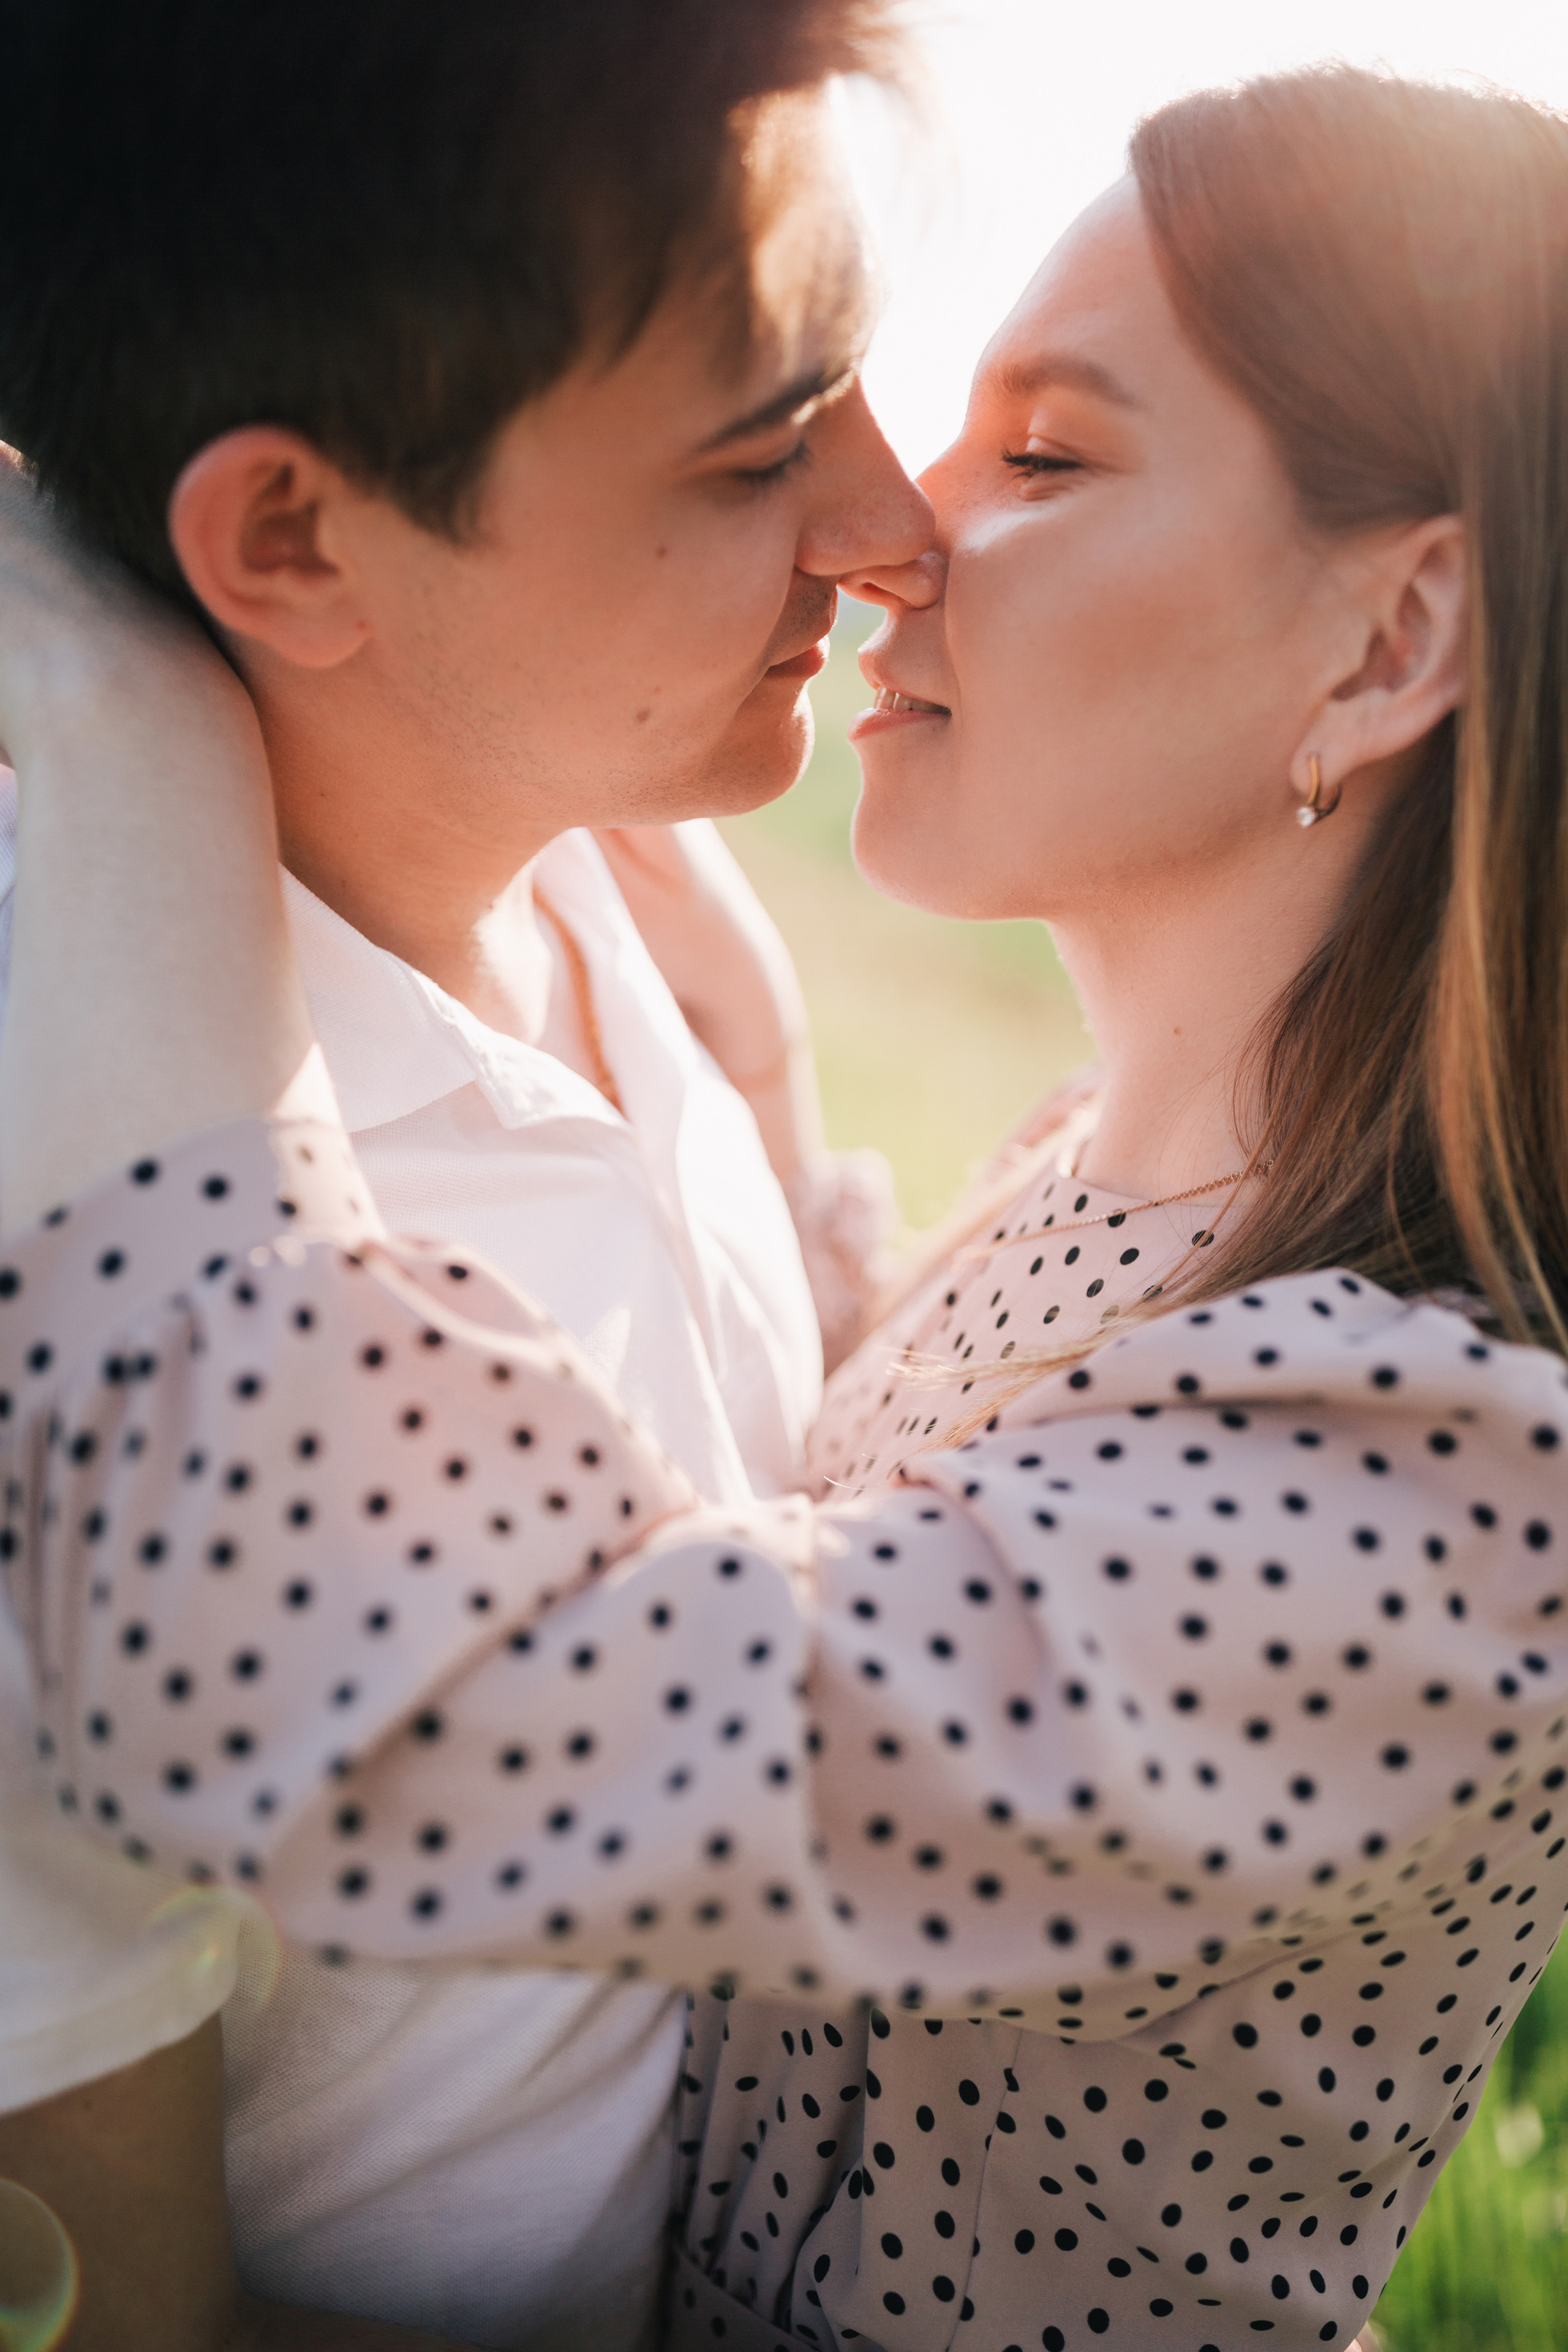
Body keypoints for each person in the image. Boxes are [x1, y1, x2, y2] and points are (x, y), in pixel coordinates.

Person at [4, 56, 1566, 2352]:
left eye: (1045, 455)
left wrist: (118, 729)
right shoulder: (1120, 1184)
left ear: (1388, 642)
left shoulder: (1460, 1492)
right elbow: (920, 1522)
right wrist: (744, 1100)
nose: (901, 525)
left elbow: (436, 1708)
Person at [0, 2, 929, 2346]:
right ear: (295, 534)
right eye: (760, 450)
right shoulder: (82, 1277)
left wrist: (781, 1099)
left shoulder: (606, 887)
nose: (900, 535)